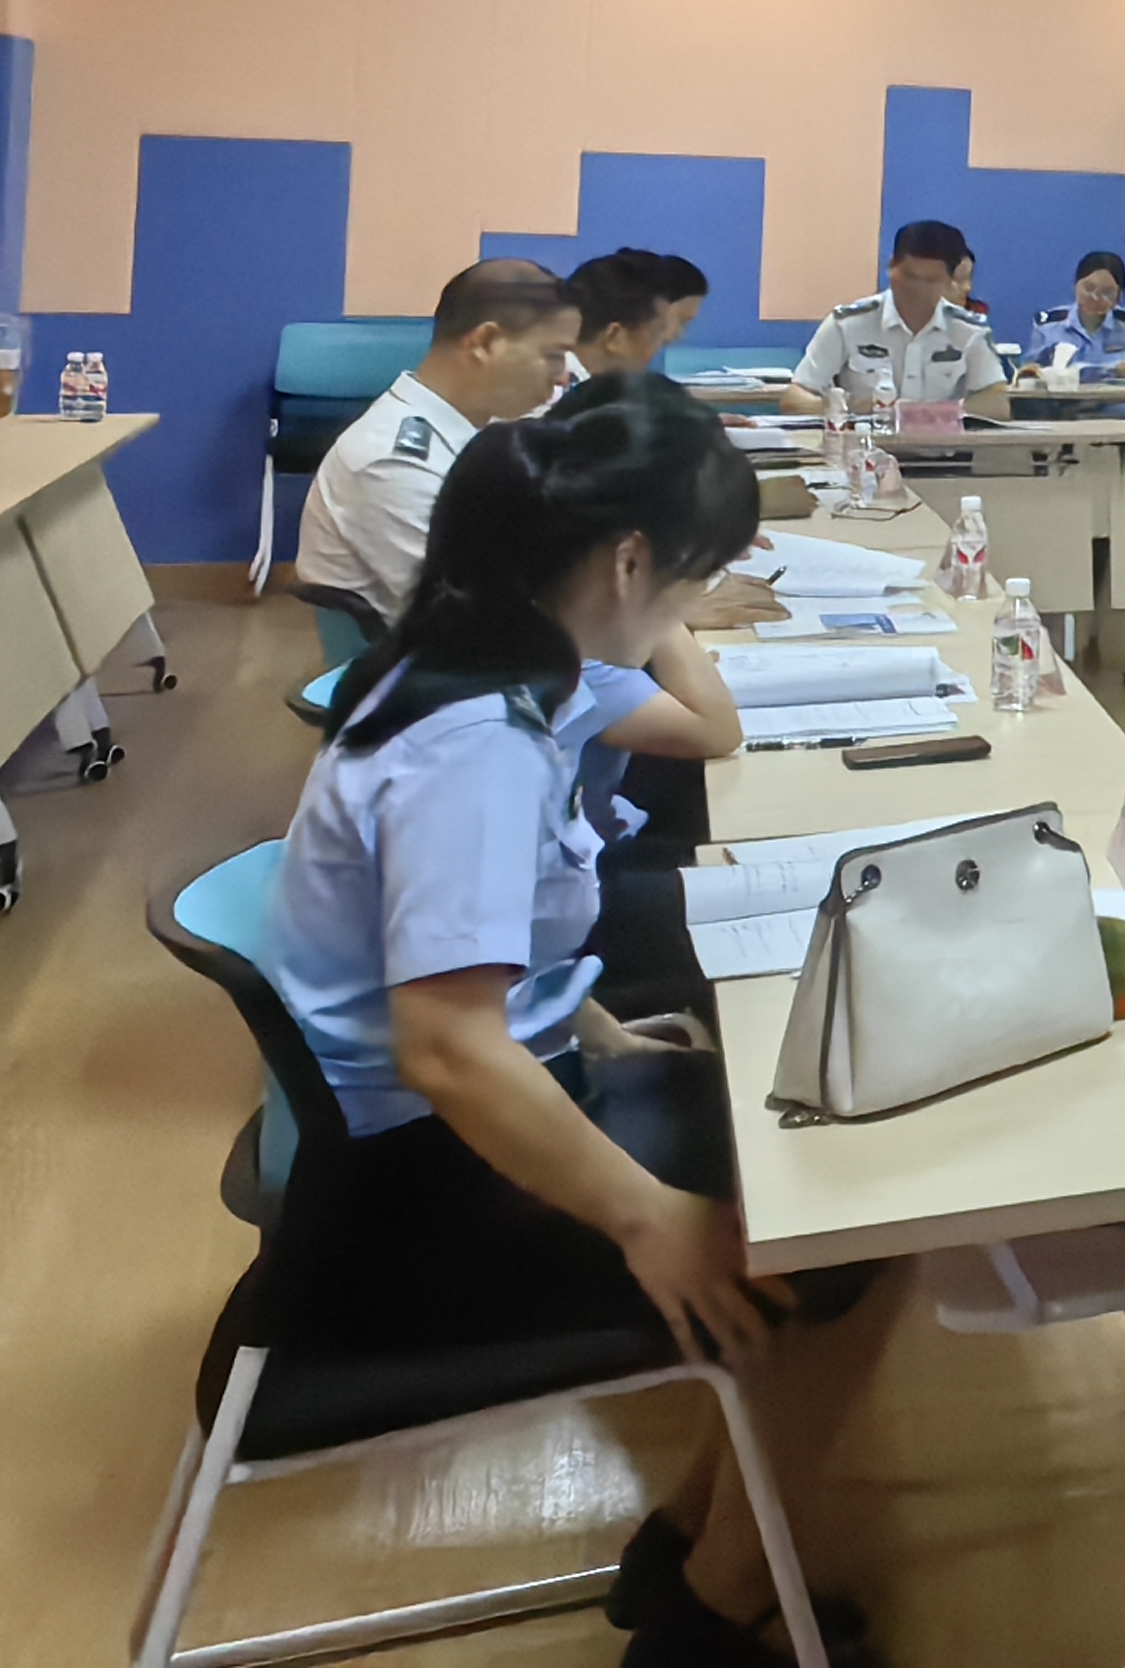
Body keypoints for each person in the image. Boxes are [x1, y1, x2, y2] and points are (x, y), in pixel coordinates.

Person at [261, 377, 898, 1664]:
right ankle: (714, 1606)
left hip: (460, 1123)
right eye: (691, 580)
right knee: (862, 1219)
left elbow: (479, 954)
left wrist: (596, 1029)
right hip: (418, 1201)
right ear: (627, 562)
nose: (692, 607)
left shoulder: (493, 674)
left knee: (827, 1155)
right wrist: (647, 1216)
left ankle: (697, 1546)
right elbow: (448, 1046)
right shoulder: (474, 746)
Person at [300, 262, 591, 626]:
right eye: (553, 355)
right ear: (485, 343)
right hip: (449, 650)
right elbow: (475, 614)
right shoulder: (392, 463)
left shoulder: (479, 428)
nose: (563, 376)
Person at [779, 219, 1009, 417]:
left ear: (950, 282)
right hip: (862, 449)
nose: (917, 289)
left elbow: (996, 404)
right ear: (891, 268)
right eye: (909, 277)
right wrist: (845, 408)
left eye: (931, 281)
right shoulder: (848, 323)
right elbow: (795, 397)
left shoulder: (968, 330)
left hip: (942, 452)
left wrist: (931, 415)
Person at [564, 252, 704, 384]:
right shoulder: (565, 392)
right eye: (657, 333)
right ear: (614, 336)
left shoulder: (584, 387)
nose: (664, 341)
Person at [1025, 249, 1125, 382]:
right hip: (1063, 394)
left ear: (1118, 298)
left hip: (1112, 395)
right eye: (1088, 288)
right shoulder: (1049, 326)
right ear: (1075, 286)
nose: (1095, 298)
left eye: (1107, 292)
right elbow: (1029, 371)